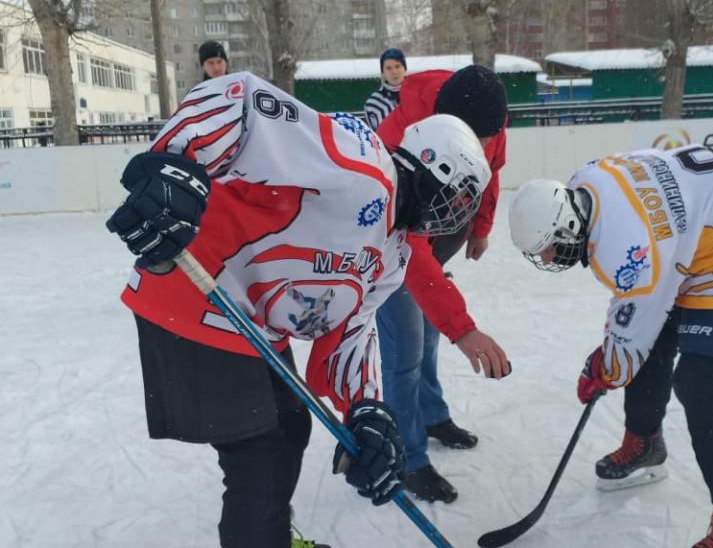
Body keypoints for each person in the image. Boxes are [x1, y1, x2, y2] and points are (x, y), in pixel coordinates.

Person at [104, 71, 493, 548]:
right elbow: (243, 101)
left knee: (289, 428)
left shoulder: (395, 254)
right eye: (458, 197)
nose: (458, 212)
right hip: (192, 293)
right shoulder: (360, 162)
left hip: (249, 323)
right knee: (260, 456)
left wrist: (367, 408)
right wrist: (171, 165)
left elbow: (352, 331)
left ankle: (270, 538)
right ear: (434, 172)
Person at [509, 145, 713, 548]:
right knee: (649, 342)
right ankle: (645, 443)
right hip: (685, 236)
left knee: (701, 381)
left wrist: (606, 369)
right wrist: (611, 356)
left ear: (566, 226)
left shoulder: (625, 246)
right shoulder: (584, 184)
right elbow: (637, 317)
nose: (547, 257)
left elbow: (632, 328)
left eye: (547, 247)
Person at [373, 64, 510, 503]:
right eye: (481, 139)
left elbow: (493, 170)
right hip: (396, 244)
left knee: (427, 334)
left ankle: (432, 416)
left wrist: (482, 226)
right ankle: (407, 458)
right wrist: (464, 329)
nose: (488, 145)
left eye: (492, 136)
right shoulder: (399, 141)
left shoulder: (487, 114)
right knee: (404, 352)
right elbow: (407, 246)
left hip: (442, 233)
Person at [364, 48, 407, 131]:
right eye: (388, 68)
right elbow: (373, 136)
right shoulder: (373, 103)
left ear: (404, 68)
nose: (394, 72)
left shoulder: (419, 94)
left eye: (397, 66)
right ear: (383, 72)